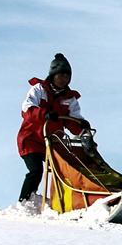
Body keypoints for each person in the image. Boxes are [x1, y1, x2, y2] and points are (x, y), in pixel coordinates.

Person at [16, 52, 89, 207]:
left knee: (66, 170)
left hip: (54, 142)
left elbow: (74, 121)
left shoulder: (70, 98)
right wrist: (45, 114)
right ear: (53, 75)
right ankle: (25, 202)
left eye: (67, 76)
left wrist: (82, 126)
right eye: (61, 75)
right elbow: (27, 109)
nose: (64, 79)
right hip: (31, 139)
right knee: (36, 171)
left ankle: (67, 201)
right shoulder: (39, 89)